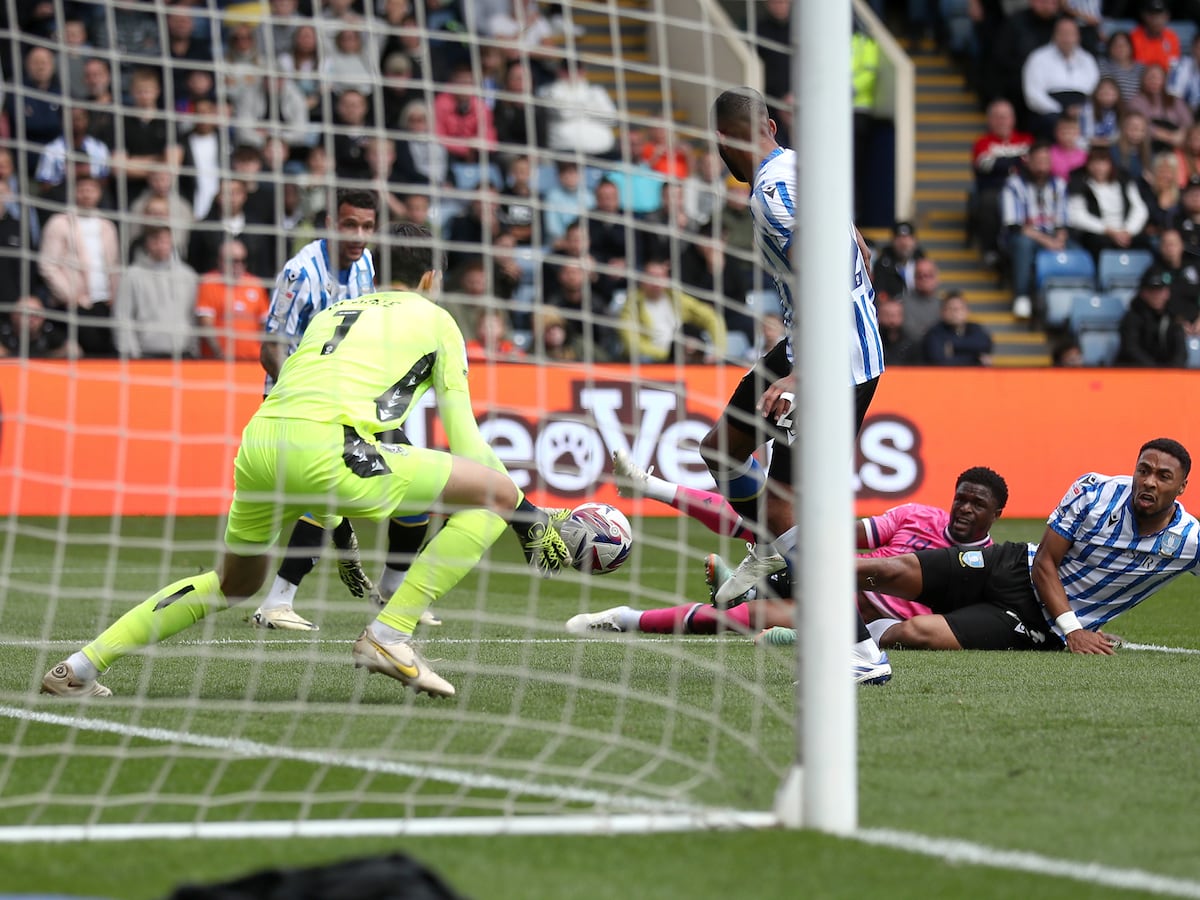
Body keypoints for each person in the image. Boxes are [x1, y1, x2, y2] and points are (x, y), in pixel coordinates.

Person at [40, 232, 572, 700]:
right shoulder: (437, 319)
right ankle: (389, 635)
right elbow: (467, 442)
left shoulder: (334, 311)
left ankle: (80, 667)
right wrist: (529, 514)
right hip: (329, 447)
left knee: (232, 583)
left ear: (379, 268)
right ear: (432, 276)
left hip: (260, 443)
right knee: (493, 495)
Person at [701, 87, 889, 684]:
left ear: (729, 141)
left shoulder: (771, 195)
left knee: (791, 504)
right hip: (828, 345)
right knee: (724, 450)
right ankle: (769, 552)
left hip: (830, 360)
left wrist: (803, 374)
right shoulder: (805, 166)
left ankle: (859, 651)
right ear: (773, 126)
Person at [567, 468, 1006, 650]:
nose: (965, 508)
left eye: (977, 505)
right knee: (765, 520)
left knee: (743, 616)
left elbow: (949, 625)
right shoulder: (916, 516)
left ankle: (625, 618)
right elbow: (844, 535)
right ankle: (650, 484)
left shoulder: (988, 565)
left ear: (996, 514)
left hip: (863, 624)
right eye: (961, 499)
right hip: (832, 581)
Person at [850, 439, 1198, 653]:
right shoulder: (1094, 491)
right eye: (1143, 470)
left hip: (1034, 622)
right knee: (886, 571)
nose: (1148, 481)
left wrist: (1068, 628)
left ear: (1182, 486)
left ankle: (858, 631)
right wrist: (1075, 630)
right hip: (1012, 565)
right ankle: (798, 566)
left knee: (917, 633)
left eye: (1163, 476)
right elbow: (1045, 562)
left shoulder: (1189, 541)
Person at [252, 189, 381, 631]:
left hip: (341, 398)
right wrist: (304, 391)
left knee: (329, 493)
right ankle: (285, 594)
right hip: (292, 401)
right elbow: (269, 346)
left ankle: (281, 599)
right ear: (330, 222)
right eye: (350, 225)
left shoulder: (366, 264)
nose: (359, 236)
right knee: (321, 494)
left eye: (367, 227)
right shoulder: (300, 271)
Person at [1001, 140, 1072, 320]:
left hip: (1051, 235)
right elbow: (1014, 225)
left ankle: (1071, 297)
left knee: (1078, 252)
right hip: (1023, 236)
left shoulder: (1059, 184)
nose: (1042, 165)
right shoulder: (1014, 185)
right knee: (1023, 245)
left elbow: (1063, 221)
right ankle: (1022, 296)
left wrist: (1060, 239)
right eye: (1038, 160)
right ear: (1029, 161)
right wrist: (1048, 242)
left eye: (1046, 161)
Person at [112, 224, 199, 359]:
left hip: (183, 353)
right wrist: (131, 354)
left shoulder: (187, 275)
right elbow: (122, 318)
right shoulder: (132, 275)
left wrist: (194, 349)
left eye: (165, 240)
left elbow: (193, 316)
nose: (160, 246)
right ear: (146, 243)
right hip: (146, 355)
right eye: (155, 240)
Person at [1066, 142, 1151, 260]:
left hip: (1125, 230)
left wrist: (1128, 231)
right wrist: (1108, 231)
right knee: (1097, 243)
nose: (1099, 168)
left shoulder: (1124, 181)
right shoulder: (1079, 184)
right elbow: (1077, 216)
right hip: (1099, 233)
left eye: (1103, 163)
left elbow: (1140, 209)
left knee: (1146, 242)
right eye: (1094, 163)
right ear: (1088, 165)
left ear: (1110, 165)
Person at [195, 239, 271, 361]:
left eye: (243, 260)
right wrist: (219, 354)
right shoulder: (208, 283)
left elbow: (265, 323)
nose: (239, 265)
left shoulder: (256, 284)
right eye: (234, 261)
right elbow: (205, 324)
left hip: (253, 360)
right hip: (218, 361)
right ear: (220, 261)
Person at [1115, 264, 1189, 367]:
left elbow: (1181, 352)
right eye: (1152, 291)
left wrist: (1172, 371)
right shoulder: (1132, 317)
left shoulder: (1172, 317)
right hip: (1136, 374)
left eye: (1160, 291)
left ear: (1167, 293)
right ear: (1143, 293)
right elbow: (1130, 349)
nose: (1157, 295)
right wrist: (1154, 371)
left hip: (1167, 375)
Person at [922, 291, 993, 366]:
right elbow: (940, 361)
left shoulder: (976, 328)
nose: (955, 312)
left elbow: (985, 344)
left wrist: (954, 346)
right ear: (942, 312)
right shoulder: (934, 332)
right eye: (950, 308)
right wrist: (975, 358)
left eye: (959, 308)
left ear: (967, 311)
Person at [871, 220, 925, 303]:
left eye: (908, 238)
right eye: (899, 238)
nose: (904, 243)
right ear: (892, 241)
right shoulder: (883, 264)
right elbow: (879, 293)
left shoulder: (923, 263)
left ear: (915, 241)